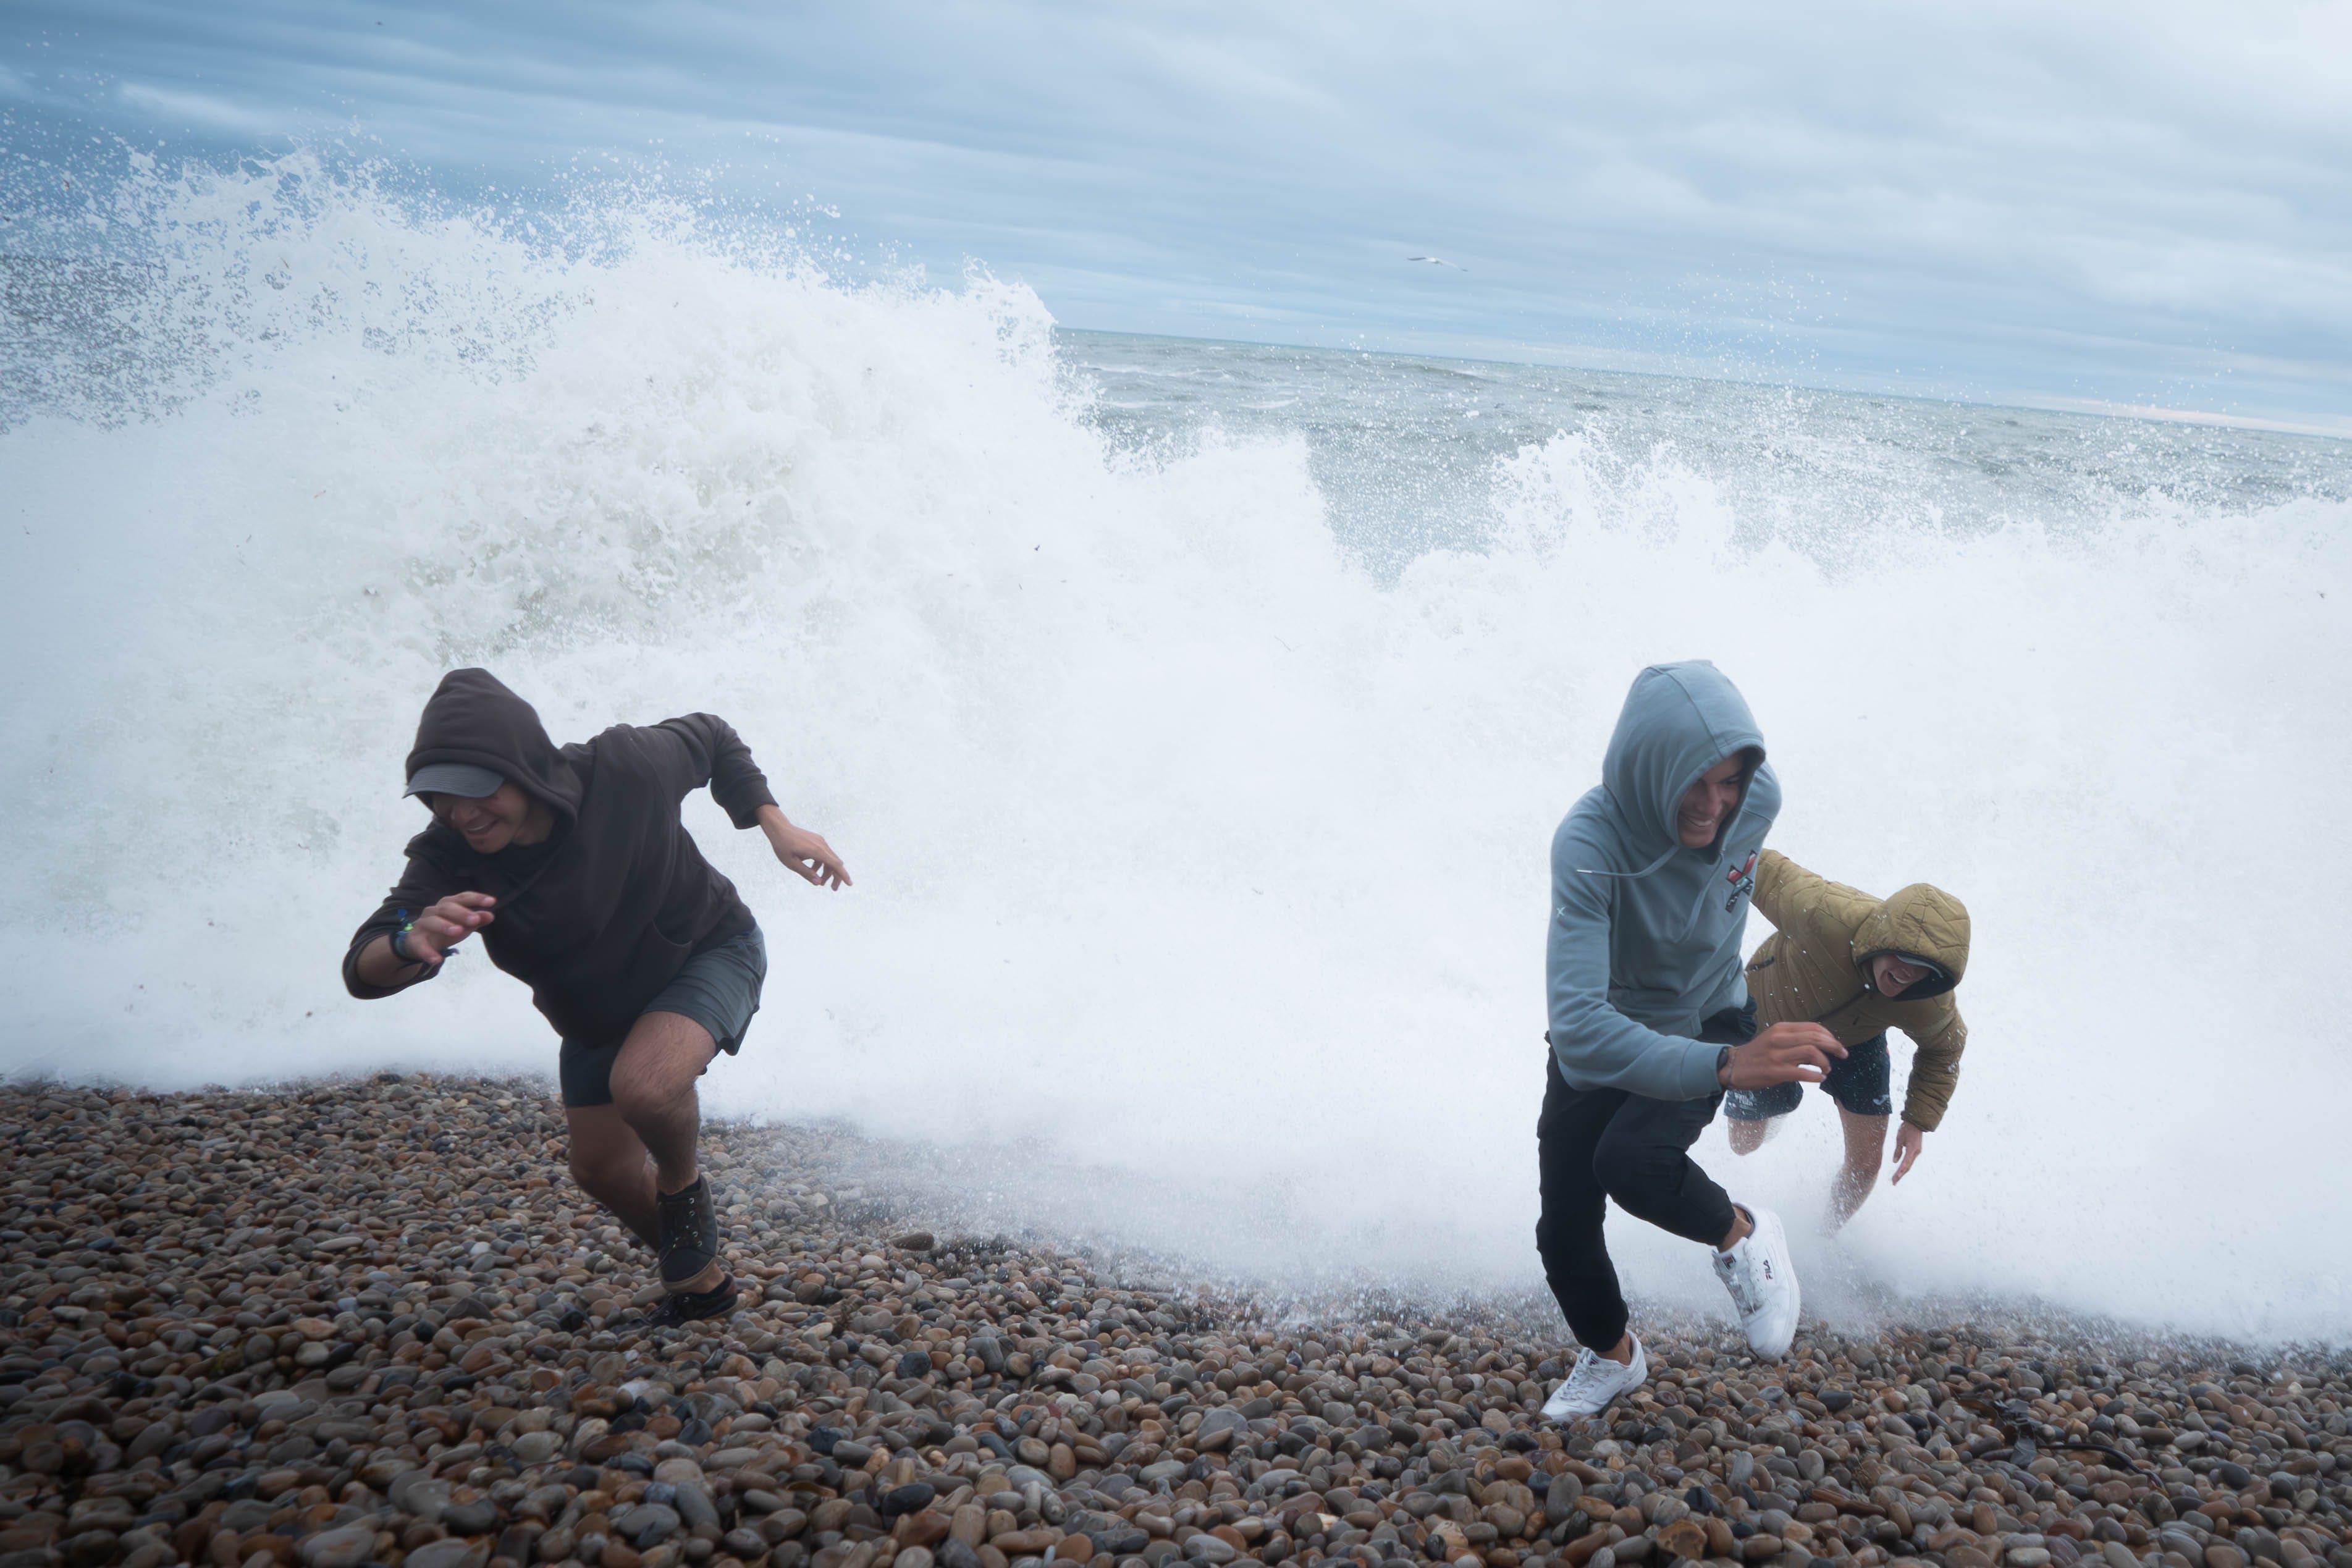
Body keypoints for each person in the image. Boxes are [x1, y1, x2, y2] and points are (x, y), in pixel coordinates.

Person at [342, 668, 850, 1328]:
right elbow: (363, 965)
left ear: (522, 766)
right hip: (595, 1011)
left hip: (706, 951)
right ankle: (703, 1288)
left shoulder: (623, 769)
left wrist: (774, 825)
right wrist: (411, 942)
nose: (460, 812)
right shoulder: (449, 857)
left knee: (644, 1087)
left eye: (477, 790)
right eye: (439, 795)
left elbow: (715, 738)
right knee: (602, 1170)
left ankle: (682, 1185)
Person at [1537, 660, 1847, 1419]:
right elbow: (1578, 1030)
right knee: (1563, 1227)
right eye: (1696, 783)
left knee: (1632, 1162)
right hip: (1615, 1030)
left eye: (1730, 782)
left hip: (1711, 1013)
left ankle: (1743, 1233)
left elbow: (1720, 887)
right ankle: (1613, 1358)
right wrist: (1728, 1067)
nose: (1716, 806)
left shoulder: (1759, 799)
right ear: (1649, 768)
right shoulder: (1587, 843)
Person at [1726, 850, 1970, 1228]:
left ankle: (1823, 1235)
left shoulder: (1930, 1001)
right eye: (1902, 957)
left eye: (1924, 969)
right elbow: (1757, 865)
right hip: (1768, 1026)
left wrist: (1918, 1120)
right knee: (1744, 1143)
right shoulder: (1824, 916)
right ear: (1881, 941)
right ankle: (1780, 1099)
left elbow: (1945, 1049)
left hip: (1855, 1041)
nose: (1907, 974)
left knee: (1867, 1163)